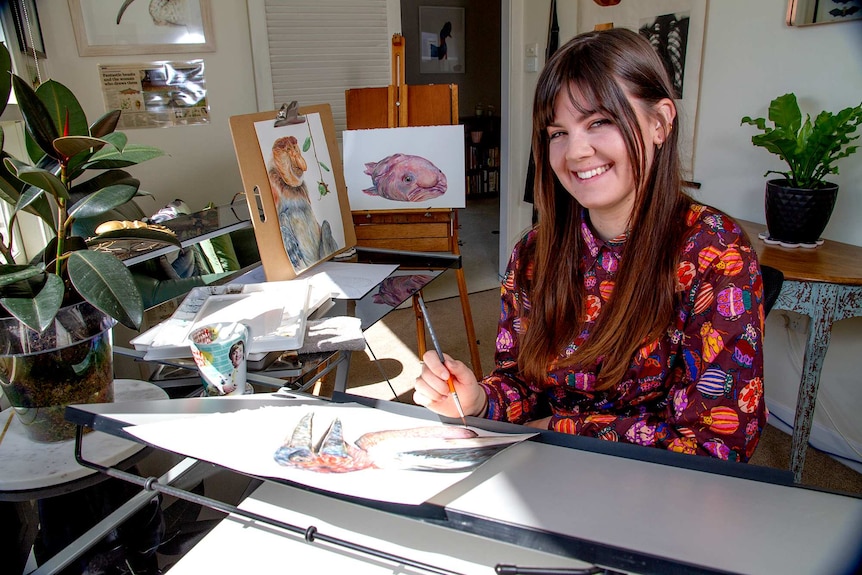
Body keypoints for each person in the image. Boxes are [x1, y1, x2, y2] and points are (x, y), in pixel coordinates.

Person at [413, 28, 767, 462]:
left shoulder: (715, 252)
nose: (576, 152)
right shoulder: (533, 254)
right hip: (544, 468)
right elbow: (523, 383)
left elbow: (718, 445)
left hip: (656, 496)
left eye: (600, 122)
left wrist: (559, 429)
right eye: (557, 132)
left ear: (660, 123)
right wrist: (479, 401)